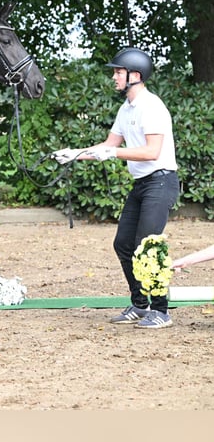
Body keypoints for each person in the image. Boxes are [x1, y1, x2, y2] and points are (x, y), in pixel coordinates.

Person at [53, 47, 180, 329]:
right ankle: (140, 304)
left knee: (148, 247)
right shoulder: (126, 108)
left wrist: (115, 154)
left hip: (160, 181)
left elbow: (151, 151)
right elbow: (109, 145)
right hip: (142, 183)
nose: (114, 77)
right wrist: (75, 153)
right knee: (123, 243)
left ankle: (161, 310)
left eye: (118, 72)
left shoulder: (152, 107)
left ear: (135, 75)